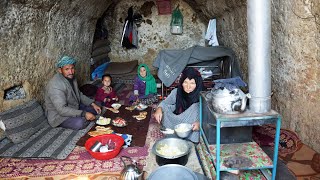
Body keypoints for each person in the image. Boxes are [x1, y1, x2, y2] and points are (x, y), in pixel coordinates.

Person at [44, 56, 101, 130]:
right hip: (59, 116)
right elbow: (61, 110)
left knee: (97, 106)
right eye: (67, 69)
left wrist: (92, 104)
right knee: (80, 123)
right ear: (60, 70)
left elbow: (79, 94)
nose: (70, 72)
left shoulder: (71, 77)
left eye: (72, 68)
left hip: (73, 107)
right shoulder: (55, 85)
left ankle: (87, 115)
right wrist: (84, 113)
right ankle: (84, 117)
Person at [153, 67, 203, 143]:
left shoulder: (203, 95)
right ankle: (174, 132)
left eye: (192, 83)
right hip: (178, 121)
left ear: (197, 83)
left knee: (195, 107)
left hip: (193, 126)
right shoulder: (177, 92)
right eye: (185, 82)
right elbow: (165, 103)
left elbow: (208, 118)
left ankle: (189, 137)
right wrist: (159, 109)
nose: (188, 86)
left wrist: (200, 123)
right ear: (181, 82)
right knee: (164, 108)